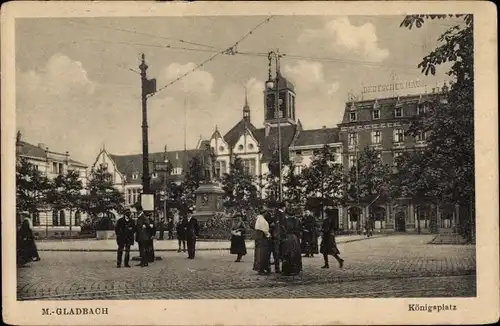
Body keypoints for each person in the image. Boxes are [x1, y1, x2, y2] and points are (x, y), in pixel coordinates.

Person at [281, 207, 303, 276]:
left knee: (287, 253)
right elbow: (300, 229)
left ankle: (286, 270)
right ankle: (296, 269)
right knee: (295, 253)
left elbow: (282, 230)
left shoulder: (285, 220)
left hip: (287, 238)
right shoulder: (297, 220)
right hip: (295, 238)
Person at [254, 209, 272, 275]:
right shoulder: (262, 220)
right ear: (264, 213)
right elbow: (265, 230)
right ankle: (261, 269)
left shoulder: (258, 219)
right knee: (263, 254)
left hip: (258, 238)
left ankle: (261, 268)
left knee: (259, 253)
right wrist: (269, 235)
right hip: (262, 238)